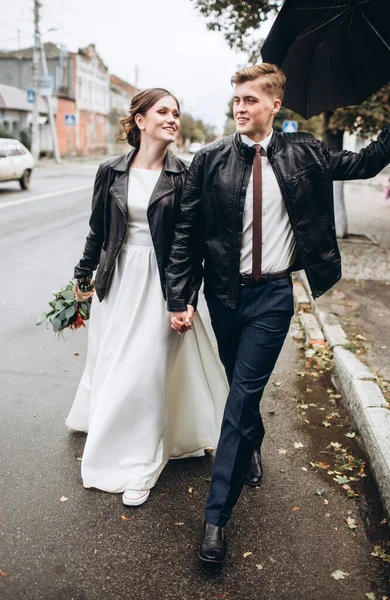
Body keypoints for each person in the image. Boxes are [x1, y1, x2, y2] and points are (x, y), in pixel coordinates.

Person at [166, 63, 390, 563]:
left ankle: (215, 520)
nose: (240, 107)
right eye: (237, 99)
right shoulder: (208, 159)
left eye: (251, 99)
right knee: (238, 392)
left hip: (273, 297)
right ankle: (250, 443)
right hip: (223, 295)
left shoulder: (306, 153)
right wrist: (179, 297)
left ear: (275, 105)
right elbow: (187, 233)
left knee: (240, 398)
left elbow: (365, 162)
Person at [66, 88, 228, 507]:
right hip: (118, 281)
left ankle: (138, 463)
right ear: (140, 120)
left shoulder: (185, 174)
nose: (173, 118)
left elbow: (190, 245)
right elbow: (98, 231)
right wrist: (83, 275)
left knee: (147, 372)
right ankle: (112, 428)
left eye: (177, 112)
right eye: (163, 111)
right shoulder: (110, 170)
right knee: (113, 361)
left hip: (164, 283)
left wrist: (184, 298)